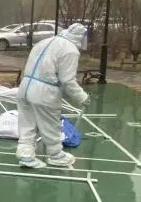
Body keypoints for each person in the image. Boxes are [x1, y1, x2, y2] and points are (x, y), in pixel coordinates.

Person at [16, 23, 90, 169]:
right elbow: (67, 80)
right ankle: (56, 155)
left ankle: (26, 155)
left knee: (27, 123)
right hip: (45, 90)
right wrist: (82, 97)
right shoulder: (70, 50)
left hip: (25, 86)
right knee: (50, 124)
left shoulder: (44, 42)